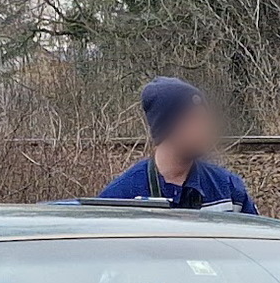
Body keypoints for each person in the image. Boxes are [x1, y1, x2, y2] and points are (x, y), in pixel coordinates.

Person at [98, 77, 256, 213]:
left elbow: (253, 244)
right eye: (194, 120)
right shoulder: (121, 198)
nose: (206, 129)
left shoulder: (229, 190)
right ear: (166, 127)